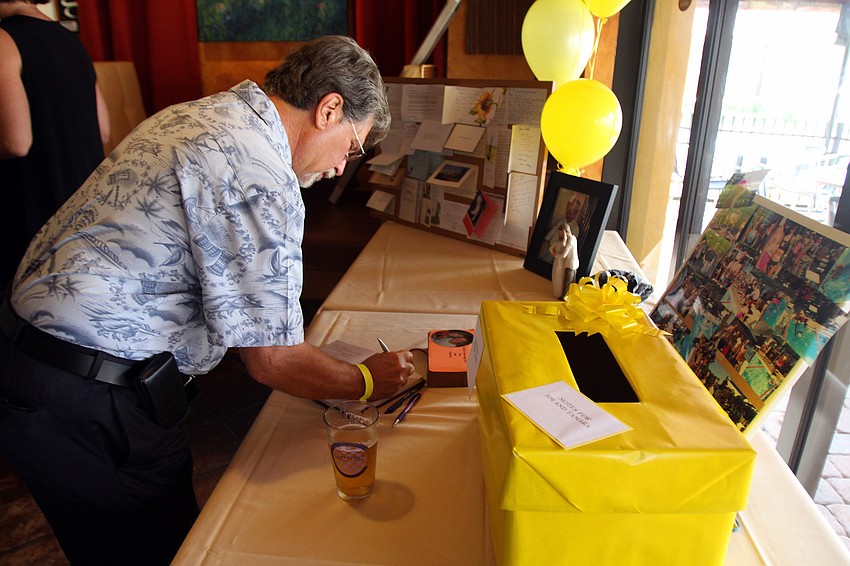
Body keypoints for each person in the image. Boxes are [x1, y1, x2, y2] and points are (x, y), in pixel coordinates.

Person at [0, 35, 413, 565]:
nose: (340, 168)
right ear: (329, 109)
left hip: (31, 366)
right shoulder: (259, 171)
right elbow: (272, 362)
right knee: (160, 550)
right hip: (88, 394)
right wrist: (369, 380)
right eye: (353, 148)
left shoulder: (202, 114)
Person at [0, 0, 110, 283]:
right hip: (81, 210)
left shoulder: (3, 40)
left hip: (30, 212)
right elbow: (103, 131)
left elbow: (16, 142)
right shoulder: (69, 40)